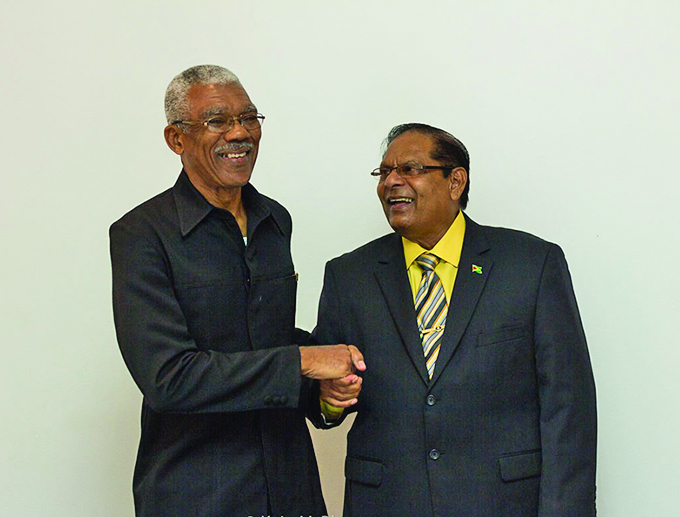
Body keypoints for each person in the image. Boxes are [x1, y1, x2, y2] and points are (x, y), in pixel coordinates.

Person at [109, 64, 364, 517]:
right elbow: (168, 379)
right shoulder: (141, 234)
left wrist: (324, 395)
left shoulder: (275, 220)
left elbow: (269, 340)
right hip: (198, 496)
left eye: (249, 118)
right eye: (217, 121)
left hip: (292, 490)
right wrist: (305, 360)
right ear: (176, 139)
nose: (239, 133)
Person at [310, 123, 597, 516]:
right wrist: (328, 401)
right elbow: (324, 390)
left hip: (502, 503)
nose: (391, 182)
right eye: (384, 172)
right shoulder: (350, 276)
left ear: (455, 181)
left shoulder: (531, 265)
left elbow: (568, 409)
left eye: (409, 169)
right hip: (387, 503)